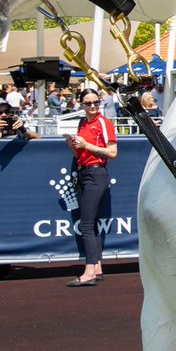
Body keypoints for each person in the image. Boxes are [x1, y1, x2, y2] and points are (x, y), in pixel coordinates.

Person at [65, 89, 117, 287]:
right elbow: (80, 156)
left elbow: (112, 153)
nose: (93, 106)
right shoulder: (82, 123)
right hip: (85, 172)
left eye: (96, 102)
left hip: (97, 173)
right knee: (91, 223)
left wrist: (86, 146)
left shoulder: (104, 123)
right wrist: (73, 146)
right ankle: (96, 267)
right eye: (88, 103)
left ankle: (89, 271)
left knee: (86, 224)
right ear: (82, 105)